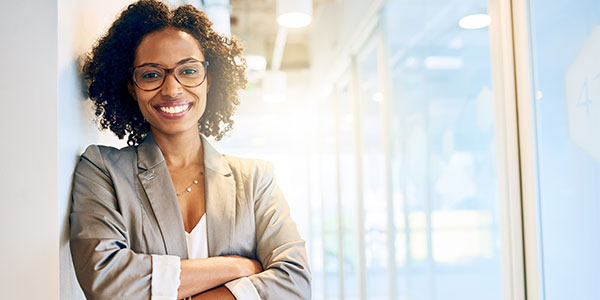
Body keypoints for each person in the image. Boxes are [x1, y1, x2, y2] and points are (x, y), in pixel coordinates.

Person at [69, 1, 311, 299]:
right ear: (130, 86)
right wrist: (236, 267)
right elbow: (107, 280)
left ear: (209, 80)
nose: (172, 89)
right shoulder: (103, 170)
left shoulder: (255, 180)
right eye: (151, 74)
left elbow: (294, 281)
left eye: (189, 70)